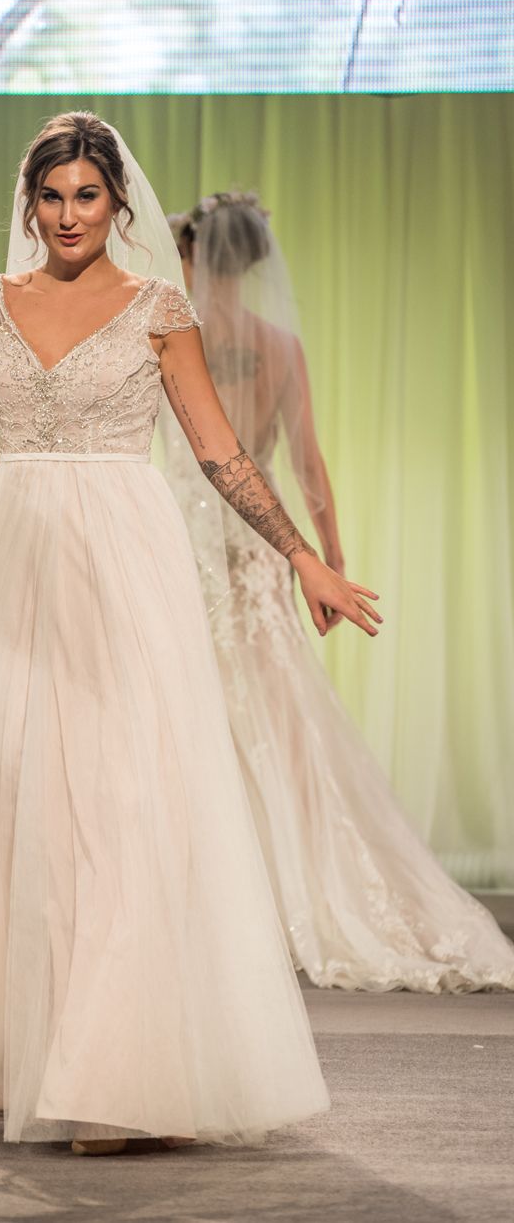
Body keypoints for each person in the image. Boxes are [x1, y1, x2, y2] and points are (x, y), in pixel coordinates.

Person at [0, 113, 381, 1155]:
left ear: (119, 202)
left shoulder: (158, 308)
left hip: (120, 561)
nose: (68, 215)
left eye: (87, 195)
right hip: (13, 571)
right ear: (28, 203)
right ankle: (23, 1054)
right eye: (51, 195)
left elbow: (219, 451)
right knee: (20, 801)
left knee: (118, 804)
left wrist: (303, 557)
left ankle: (113, 1077)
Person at [167, 193, 514, 993]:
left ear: (192, 257)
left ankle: (214, 899)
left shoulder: (174, 338)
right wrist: (327, 558)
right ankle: (302, 884)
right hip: (264, 541)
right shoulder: (278, 345)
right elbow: (306, 463)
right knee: (281, 717)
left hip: (185, 533)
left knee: (201, 709)